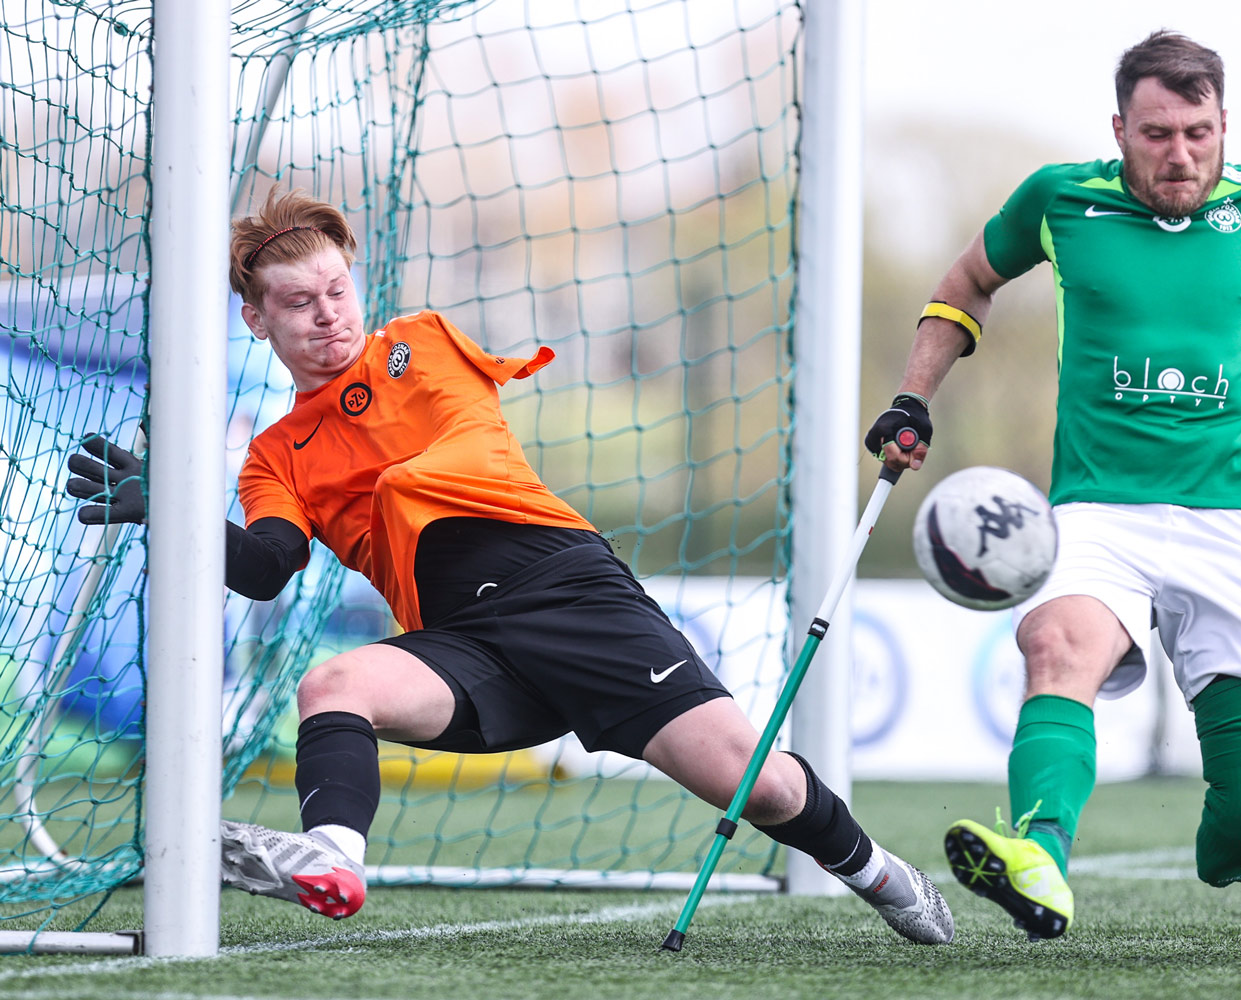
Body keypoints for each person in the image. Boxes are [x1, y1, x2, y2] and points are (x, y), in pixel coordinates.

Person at [66, 186, 953, 945]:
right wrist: (178, 511)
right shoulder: (274, 456)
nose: (329, 313)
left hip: (565, 591)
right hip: (463, 643)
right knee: (333, 683)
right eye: (299, 303)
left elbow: (431, 465)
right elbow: (264, 567)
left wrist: (372, 491)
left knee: (753, 785)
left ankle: (878, 872)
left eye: (337, 289)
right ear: (255, 318)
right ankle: (334, 859)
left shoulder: (417, 343)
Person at [864, 30, 1241, 942]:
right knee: (1058, 646)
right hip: (1099, 507)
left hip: (1235, 514)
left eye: (1198, 133)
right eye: (1158, 133)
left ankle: (1234, 838)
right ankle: (1039, 857)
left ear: (1224, 127)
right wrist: (913, 398)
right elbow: (966, 282)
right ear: (1121, 130)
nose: (1180, 153)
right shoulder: (1059, 201)